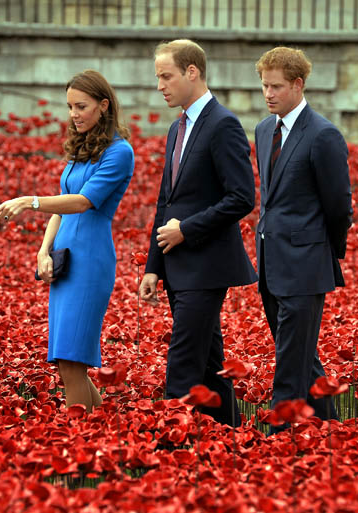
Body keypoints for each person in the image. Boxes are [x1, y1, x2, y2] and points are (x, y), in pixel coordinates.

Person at [0, 70, 134, 411]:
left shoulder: (119, 151)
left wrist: (30, 201)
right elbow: (63, 204)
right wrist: (43, 252)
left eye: (81, 106)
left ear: (103, 105)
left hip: (90, 261)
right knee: (66, 362)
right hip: (65, 258)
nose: (73, 114)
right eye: (69, 107)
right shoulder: (83, 149)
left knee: (73, 361)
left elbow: (82, 202)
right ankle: (101, 434)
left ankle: (79, 441)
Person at [137, 39, 257, 427]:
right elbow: (165, 202)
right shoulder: (177, 128)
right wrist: (153, 266)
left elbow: (242, 197)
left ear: (192, 72)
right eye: (158, 77)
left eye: (166, 76)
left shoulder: (223, 125)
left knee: (184, 361)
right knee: (208, 363)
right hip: (178, 265)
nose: (160, 86)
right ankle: (231, 437)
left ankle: (170, 446)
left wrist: (186, 231)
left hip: (207, 265)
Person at [253, 47, 353, 433]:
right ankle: (332, 431)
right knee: (302, 356)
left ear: (298, 85)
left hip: (306, 264)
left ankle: (280, 437)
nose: (268, 94)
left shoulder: (323, 134)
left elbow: (339, 206)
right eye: (264, 86)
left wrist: (325, 251)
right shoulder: (264, 130)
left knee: (290, 362)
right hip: (271, 263)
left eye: (276, 86)